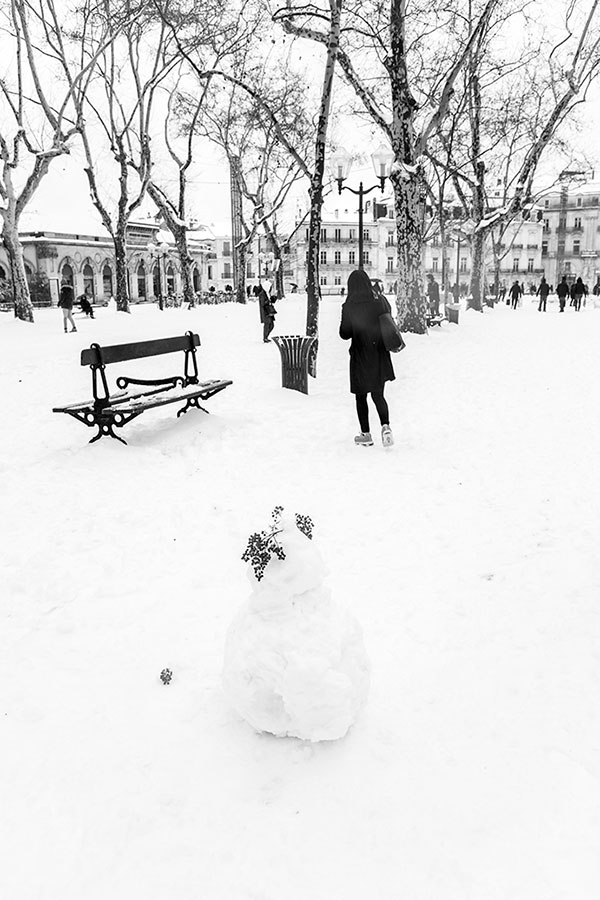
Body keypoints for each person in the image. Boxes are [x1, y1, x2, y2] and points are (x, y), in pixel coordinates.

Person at [339, 269, 395, 448]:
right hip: (378, 353)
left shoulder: (349, 306)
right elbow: (388, 318)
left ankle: (366, 434)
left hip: (360, 356)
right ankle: (386, 427)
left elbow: (344, 334)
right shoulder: (378, 302)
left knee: (361, 396)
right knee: (378, 394)